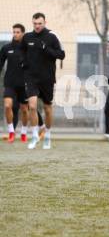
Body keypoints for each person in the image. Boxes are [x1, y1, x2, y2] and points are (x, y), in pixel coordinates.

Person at [22, 13, 65, 150]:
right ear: (32, 23)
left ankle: (47, 136)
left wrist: (46, 49)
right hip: (31, 78)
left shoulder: (51, 37)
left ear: (45, 22)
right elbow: (22, 52)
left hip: (47, 78)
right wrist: (23, 63)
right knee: (32, 106)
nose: (37, 26)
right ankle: (35, 135)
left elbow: (61, 55)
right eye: (35, 23)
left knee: (47, 109)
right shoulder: (27, 37)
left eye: (40, 23)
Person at [0, 24, 29, 143]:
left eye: (18, 32)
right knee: (7, 106)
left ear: (22, 33)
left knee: (24, 110)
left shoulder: (28, 48)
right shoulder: (6, 48)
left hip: (24, 84)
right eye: (14, 32)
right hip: (10, 83)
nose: (15, 34)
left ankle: (23, 133)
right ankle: (11, 132)